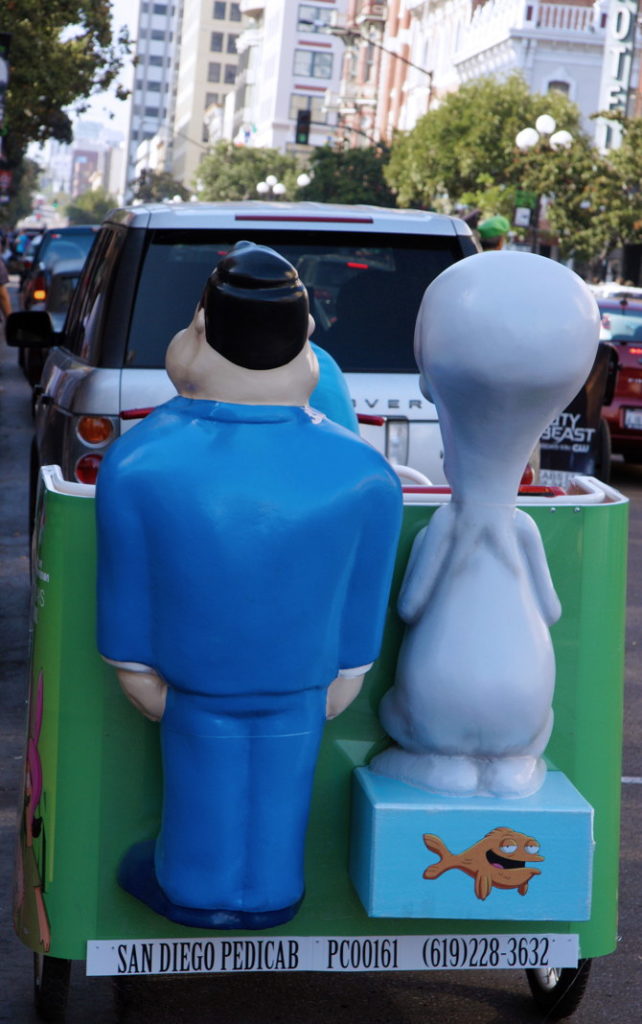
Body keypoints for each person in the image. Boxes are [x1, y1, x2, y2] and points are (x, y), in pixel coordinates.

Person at [96, 241, 402, 929]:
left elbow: (127, 574)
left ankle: (197, 885)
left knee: (203, 779)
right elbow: (365, 581)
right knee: (280, 784)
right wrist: (352, 664)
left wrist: (129, 660)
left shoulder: (140, 459)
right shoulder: (360, 470)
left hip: (194, 673)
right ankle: (268, 889)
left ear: (201, 331)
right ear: (308, 343)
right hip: (303, 674)